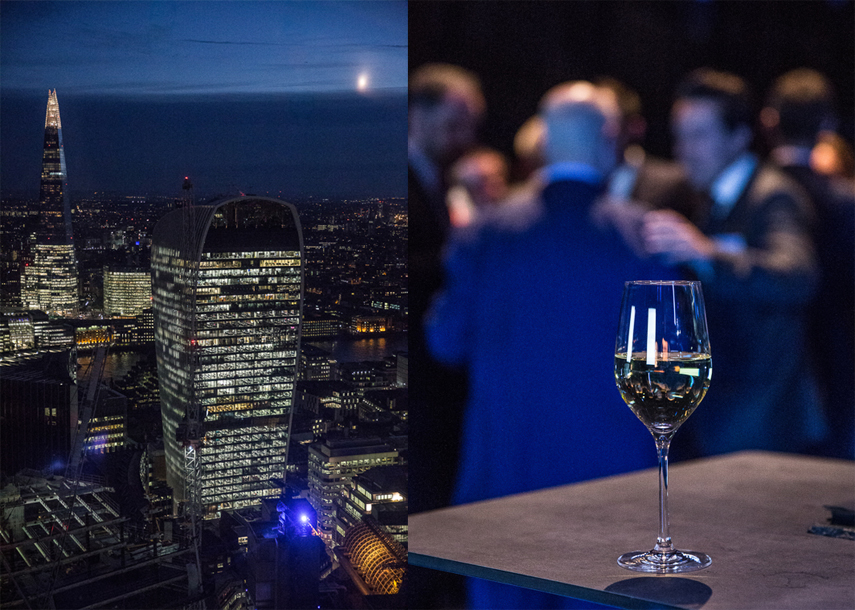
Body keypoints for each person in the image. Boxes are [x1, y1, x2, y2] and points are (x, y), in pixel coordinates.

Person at [426, 81, 673, 609]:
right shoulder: (646, 237)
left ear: (543, 140)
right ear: (610, 136)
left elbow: (445, 341)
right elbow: (668, 369)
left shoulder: (484, 233)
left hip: (503, 485)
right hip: (616, 493)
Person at [643, 68, 826, 458]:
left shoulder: (774, 195)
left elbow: (796, 276)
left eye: (699, 135)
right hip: (733, 418)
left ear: (740, 136)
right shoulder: (710, 197)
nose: (683, 149)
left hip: (765, 422)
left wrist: (705, 251)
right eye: (680, 135)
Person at [408, 63, 484, 609]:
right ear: (418, 114)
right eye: (456, 123)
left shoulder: (439, 179)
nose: (465, 139)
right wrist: (464, 252)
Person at [761, 68, 854, 459]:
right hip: (840, 371)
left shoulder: (753, 196)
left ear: (769, 120)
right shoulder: (848, 202)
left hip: (763, 383)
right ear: (828, 125)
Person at [597, 77, 699, 222]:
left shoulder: (676, 183)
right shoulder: (569, 186)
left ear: (635, 128)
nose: (597, 133)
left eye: (606, 123)